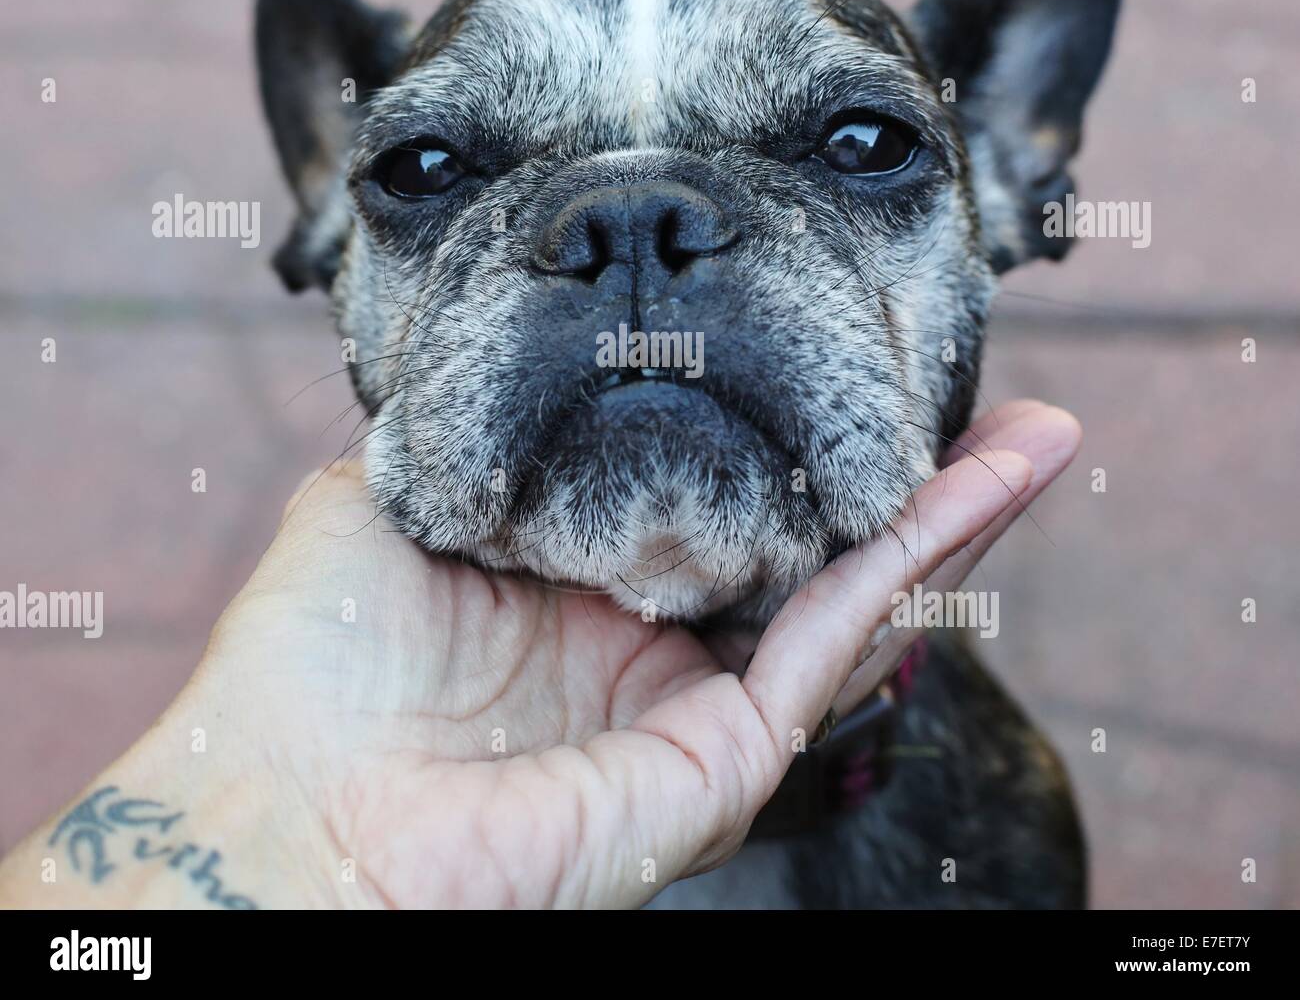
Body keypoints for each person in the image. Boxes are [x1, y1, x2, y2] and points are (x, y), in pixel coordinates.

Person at [0, 400, 1079, 909]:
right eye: (430, 171)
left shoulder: (999, 848)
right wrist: (307, 834)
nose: (639, 259)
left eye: (859, 143)